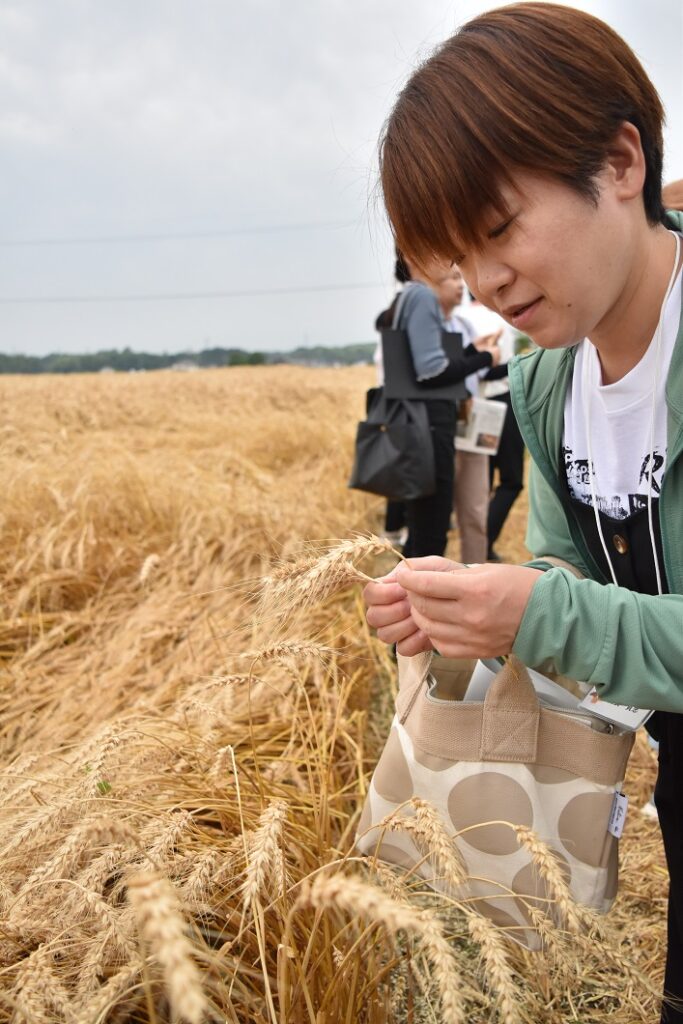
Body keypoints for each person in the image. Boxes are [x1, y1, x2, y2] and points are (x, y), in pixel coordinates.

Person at [362, 5, 683, 1019]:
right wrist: (476, 604)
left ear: (620, 161)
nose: (487, 282)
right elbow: (568, 571)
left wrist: (535, 614)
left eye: (498, 227)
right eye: (459, 252)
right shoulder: (545, 382)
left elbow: (566, 615)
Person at [379, 253, 499, 559]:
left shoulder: (406, 296)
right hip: (430, 429)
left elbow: (423, 360)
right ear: (412, 253)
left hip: (416, 427)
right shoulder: (422, 296)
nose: (450, 260)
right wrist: (486, 359)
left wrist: (472, 350)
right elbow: (432, 371)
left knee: (421, 529)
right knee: (432, 533)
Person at [435, 267, 501, 563]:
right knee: (435, 512)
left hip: (472, 420)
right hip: (439, 426)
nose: (460, 285)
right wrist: (483, 356)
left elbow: (481, 371)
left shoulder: (463, 325)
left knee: (476, 508)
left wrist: (490, 356)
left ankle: (475, 573)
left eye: (460, 278)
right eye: (450, 278)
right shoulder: (423, 330)